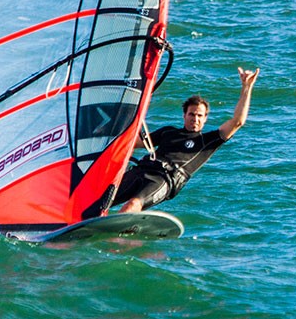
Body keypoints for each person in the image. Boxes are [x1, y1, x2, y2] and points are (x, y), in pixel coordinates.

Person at [111, 67, 260, 213]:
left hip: (163, 180)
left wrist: (246, 87)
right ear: (184, 115)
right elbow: (131, 143)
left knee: (132, 205)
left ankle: (116, 234)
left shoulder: (207, 142)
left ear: (205, 119)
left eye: (199, 116)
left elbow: (237, 122)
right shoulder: (168, 131)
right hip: (141, 170)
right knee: (98, 198)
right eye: (191, 114)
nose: (195, 119)